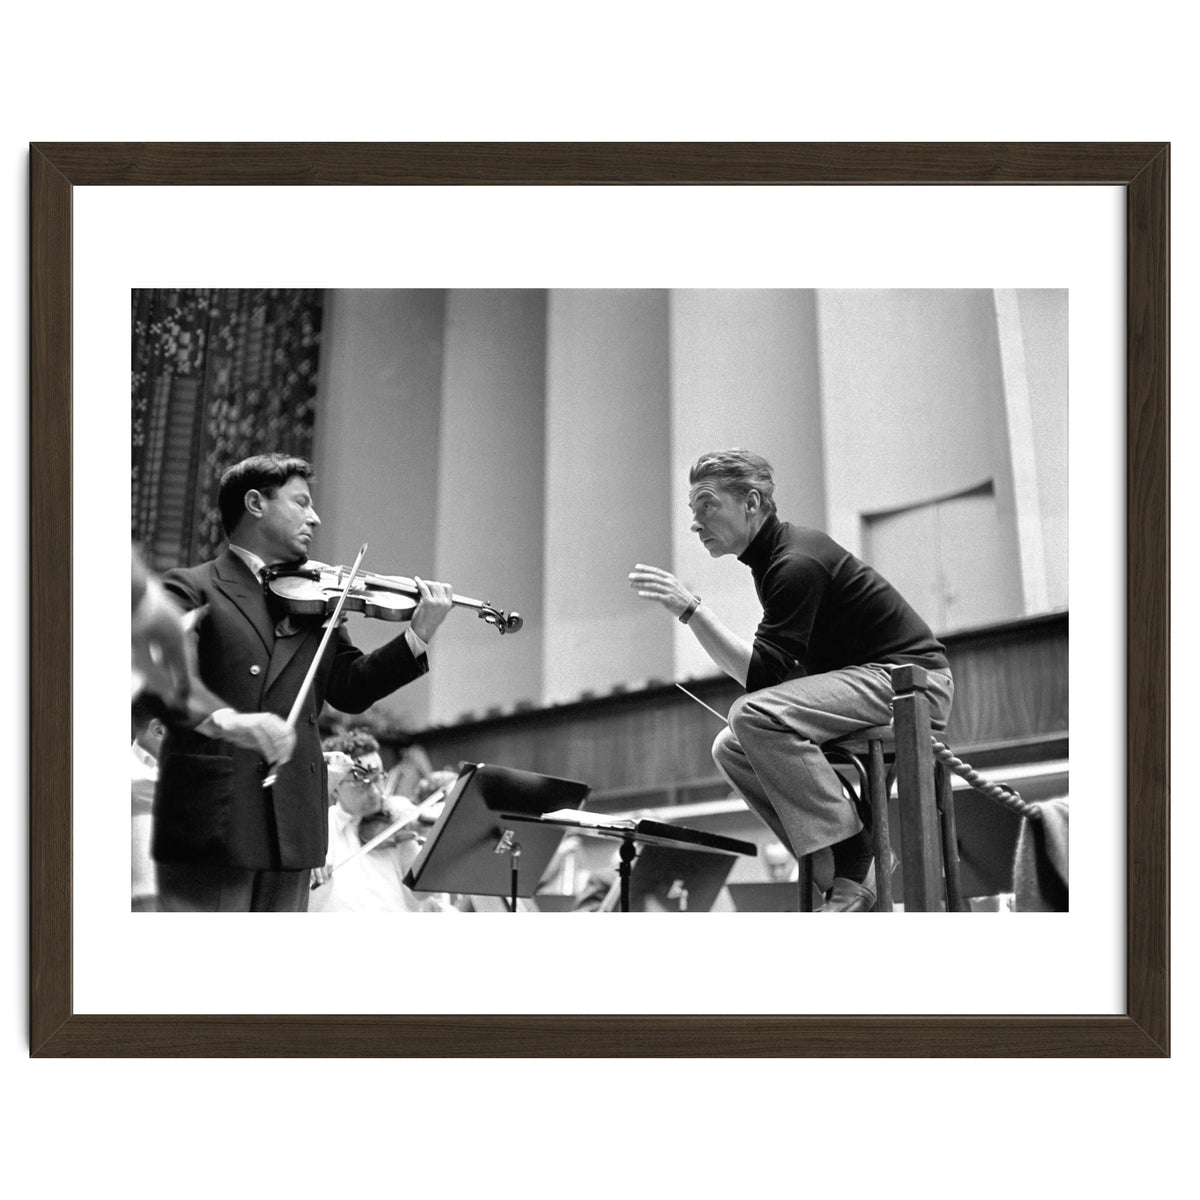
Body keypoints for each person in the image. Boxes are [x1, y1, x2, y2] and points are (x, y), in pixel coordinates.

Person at [629, 449, 954, 912]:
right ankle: (840, 878)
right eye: (693, 511)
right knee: (730, 746)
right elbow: (770, 674)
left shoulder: (795, 562)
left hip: (911, 684)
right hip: (868, 683)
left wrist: (692, 611)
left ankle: (856, 863)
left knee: (750, 714)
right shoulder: (772, 563)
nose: (695, 524)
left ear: (752, 502)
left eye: (706, 505)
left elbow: (760, 682)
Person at [152, 453, 455, 912]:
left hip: (292, 823)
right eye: (301, 503)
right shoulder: (194, 587)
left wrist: (418, 634)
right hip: (216, 819)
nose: (314, 517)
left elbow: (349, 688)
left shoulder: (317, 600)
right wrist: (227, 721)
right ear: (255, 503)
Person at [309, 730, 455, 912]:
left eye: (378, 778)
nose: (377, 792)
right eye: (362, 782)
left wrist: (439, 843)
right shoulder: (319, 829)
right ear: (336, 787)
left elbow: (422, 892)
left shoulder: (397, 830)